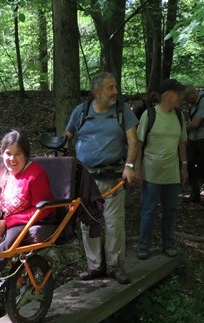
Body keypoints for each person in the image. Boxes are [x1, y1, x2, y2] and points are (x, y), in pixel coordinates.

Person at [64, 72, 139, 285]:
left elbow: (133, 141)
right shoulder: (81, 111)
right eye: (110, 88)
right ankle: (95, 266)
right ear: (97, 92)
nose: (115, 91)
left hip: (113, 176)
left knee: (114, 223)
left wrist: (130, 166)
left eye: (115, 87)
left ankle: (115, 267)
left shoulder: (123, 111)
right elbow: (66, 137)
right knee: (89, 222)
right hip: (85, 178)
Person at [0, 130, 56, 292]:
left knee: (14, 234)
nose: (12, 159)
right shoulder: (0, 171)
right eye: (8, 153)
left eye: (18, 154)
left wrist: (7, 223)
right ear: (2, 153)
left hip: (33, 220)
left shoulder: (36, 174)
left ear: (26, 155)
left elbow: (42, 210)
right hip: (6, 217)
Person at [135, 79, 188, 260]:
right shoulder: (149, 115)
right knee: (149, 209)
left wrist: (184, 167)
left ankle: (169, 243)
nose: (181, 97)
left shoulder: (179, 117)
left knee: (171, 209)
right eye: (177, 93)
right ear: (167, 95)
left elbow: (182, 144)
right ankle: (143, 246)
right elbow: (139, 144)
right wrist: (137, 168)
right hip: (151, 171)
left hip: (172, 172)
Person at [182, 84, 204, 206]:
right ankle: (194, 195)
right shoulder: (193, 103)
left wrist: (181, 130)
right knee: (190, 164)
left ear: (192, 94)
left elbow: (196, 123)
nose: (186, 101)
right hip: (193, 137)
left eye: (186, 98)